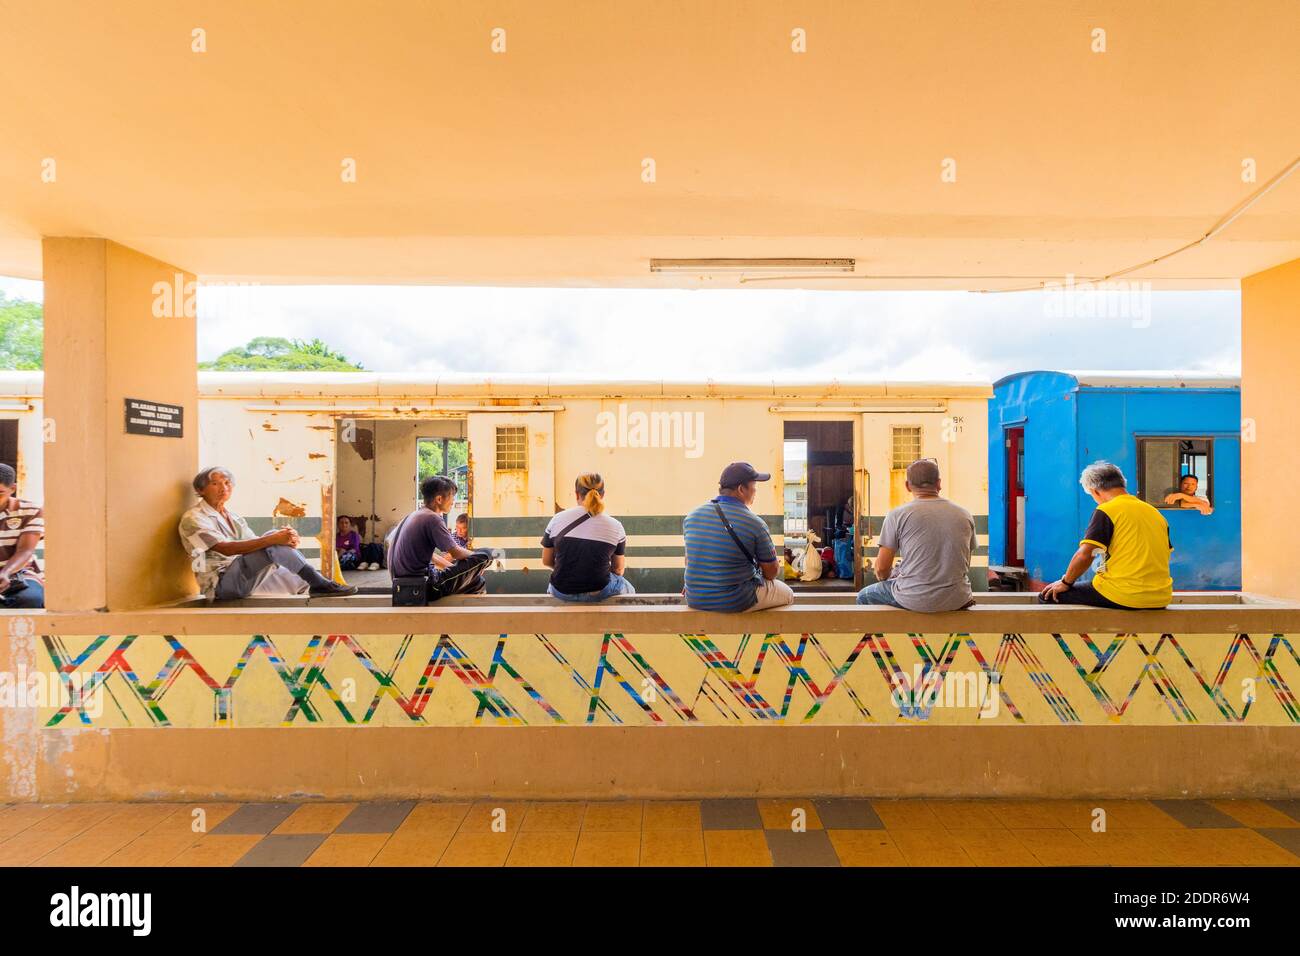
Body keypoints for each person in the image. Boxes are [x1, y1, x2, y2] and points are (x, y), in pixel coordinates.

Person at [179, 466, 357, 600]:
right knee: (272, 538)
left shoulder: (232, 516)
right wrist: (275, 539)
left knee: (273, 536)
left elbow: (256, 543)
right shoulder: (193, 519)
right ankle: (319, 583)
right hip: (221, 584)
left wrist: (284, 539)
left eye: (227, 483)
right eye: (215, 483)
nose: (223, 488)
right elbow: (227, 549)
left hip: (242, 575)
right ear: (201, 490)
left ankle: (317, 582)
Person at [1040, 460, 1172, 609]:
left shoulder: (1107, 510)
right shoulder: (1155, 513)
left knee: (1048, 595)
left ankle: (1091, 631)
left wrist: (1065, 582)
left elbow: (1085, 555)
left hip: (1124, 595)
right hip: (1161, 597)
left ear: (1095, 491)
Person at [856, 459, 977, 611]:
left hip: (914, 599)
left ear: (907, 486)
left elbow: (881, 569)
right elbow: (964, 562)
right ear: (939, 483)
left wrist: (893, 577)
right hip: (958, 598)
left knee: (863, 596)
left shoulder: (897, 515)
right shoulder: (964, 514)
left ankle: (888, 634)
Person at [683, 461, 795, 612]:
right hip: (735, 600)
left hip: (695, 598)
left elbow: (690, 561)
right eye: (754, 486)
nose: (755, 491)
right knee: (788, 594)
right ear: (741, 489)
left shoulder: (692, 517)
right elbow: (771, 573)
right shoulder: (755, 523)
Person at [389, 475, 493, 601]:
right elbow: (456, 553)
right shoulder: (432, 518)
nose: (453, 501)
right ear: (439, 499)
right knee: (487, 554)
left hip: (404, 584)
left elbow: (433, 556)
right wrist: (478, 562)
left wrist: (467, 571)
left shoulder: (414, 515)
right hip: (426, 585)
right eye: (452, 496)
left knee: (476, 581)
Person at [542, 473, 636, 602]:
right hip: (598, 590)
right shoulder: (615, 526)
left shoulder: (557, 519)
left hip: (561, 591)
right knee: (628, 588)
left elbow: (546, 560)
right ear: (602, 495)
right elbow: (618, 569)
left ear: (576, 494)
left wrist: (570, 569)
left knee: (553, 585)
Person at [0, 463, 45, 609]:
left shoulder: (30, 510)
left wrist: (5, 573)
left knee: (30, 599)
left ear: (12, 489)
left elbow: (25, 550)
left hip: (18, 571)